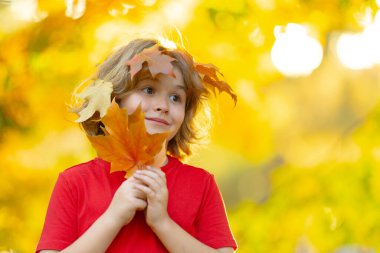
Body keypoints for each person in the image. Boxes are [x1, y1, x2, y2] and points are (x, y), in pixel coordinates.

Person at [36, 38, 238, 253]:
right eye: (149, 90)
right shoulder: (75, 182)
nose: (163, 106)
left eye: (175, 97)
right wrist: (113, 218)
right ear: (115, 98)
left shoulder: (201, 184)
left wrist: (162, 223)